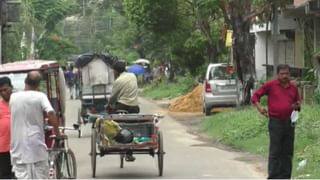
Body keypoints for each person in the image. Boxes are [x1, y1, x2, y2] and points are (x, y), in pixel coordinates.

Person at [251, 64, 301, 179]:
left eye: (287, 73)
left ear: (289, 74)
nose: (284, 76)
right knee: (275, 151)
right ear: (277, 74)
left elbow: (297, 103)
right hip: (275, 122)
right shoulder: (271, 85)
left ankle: (285, 176)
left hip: (290, 122)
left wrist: (296, 106)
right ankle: (273, 176)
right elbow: (255, 96)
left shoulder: (293, 88)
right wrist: (260, 108)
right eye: (282, 74)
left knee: (288, 151)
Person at [10, 71, 60, 179]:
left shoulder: (13, 97)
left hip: (18, 149)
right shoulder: (40, 96)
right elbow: (51, 113)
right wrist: (57, 133)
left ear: (25, 81)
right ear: (38, 85)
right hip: (36, 148)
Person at [0, 77, 14, 179]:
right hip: (3, 149)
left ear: (11, 88)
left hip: (18, 147)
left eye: (5, 90)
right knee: (6, 176)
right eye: (1, 91)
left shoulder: (18, 103)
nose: (3, 93)